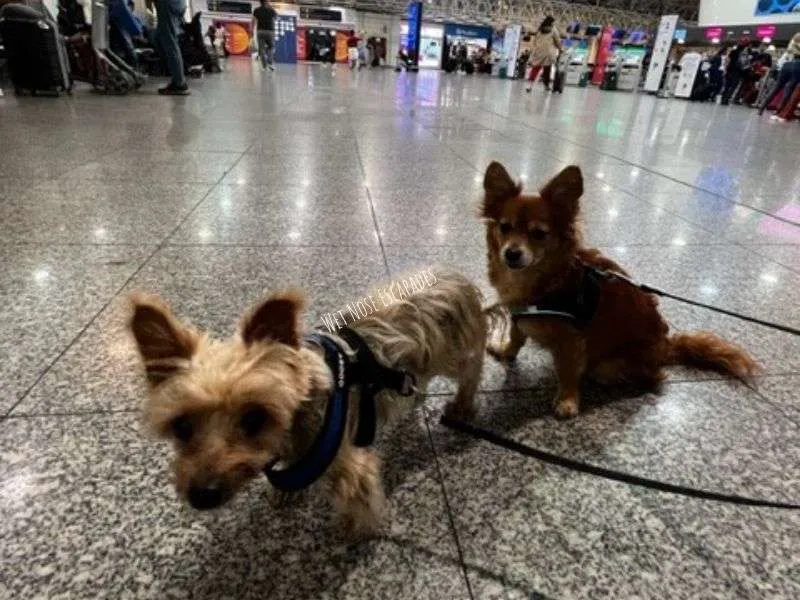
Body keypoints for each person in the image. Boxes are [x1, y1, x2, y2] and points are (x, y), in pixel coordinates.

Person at [149, 0, 188, 95]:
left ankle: (179, 83)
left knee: (170, 42)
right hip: (177, 4)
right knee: (160, 38)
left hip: (167, 4)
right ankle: (176, 78)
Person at [759, 33, 800, 118]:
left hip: (787, 64)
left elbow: (790, 50)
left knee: (776, 88)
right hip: (798, 65)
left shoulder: (796, 36)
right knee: (789, 89)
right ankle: (778, 111)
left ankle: (761, 108)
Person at [526, 15, 562, 92]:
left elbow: (535, 41)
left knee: (535, 68)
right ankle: (546, 86)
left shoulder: (540, 29)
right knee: (547, 70)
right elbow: (557, 41)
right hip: (548, 53)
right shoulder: (553, 29)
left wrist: (535, 49)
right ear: (551, 22)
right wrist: (560, 49)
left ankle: (530, 86)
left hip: (539, 51)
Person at [720, 37, 751, 105]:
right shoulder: (747, 52)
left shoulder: (734, 51)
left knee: (727, 86)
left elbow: (728, 61)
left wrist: (726, 70)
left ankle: (723, 99)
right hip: (737, 72)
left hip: (730, 70)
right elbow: (745, 64)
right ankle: (726, 99)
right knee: (733, 86)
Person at [252, 0, 277, 71]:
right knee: (271, 47)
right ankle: (270, 62)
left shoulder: (256, 10)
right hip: (270, 31)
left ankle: (264, 66)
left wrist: (251, 31)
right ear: (267, 2)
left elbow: (253, 21)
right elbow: (275, 18)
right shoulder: (271, 10)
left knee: (261, 49)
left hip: (260, 31)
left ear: (260, 2)